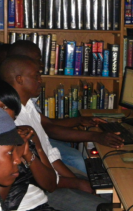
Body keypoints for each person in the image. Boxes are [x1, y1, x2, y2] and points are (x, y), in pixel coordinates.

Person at [0, 55, 110, 211]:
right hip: (40, 193)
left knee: (109, 190)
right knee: (107, 210)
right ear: (20, 79)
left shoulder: (27, 109)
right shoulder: (12, 130)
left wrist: (75, 181)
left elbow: (49, 131)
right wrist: (76, 183)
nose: (41, 80)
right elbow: (46, 184)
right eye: (36, 75)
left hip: (49, 180)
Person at [6, 40, 124, 174]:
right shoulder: (10, 106)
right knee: (78, 159)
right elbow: (50, 129)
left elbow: (46, 123)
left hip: (45, 152)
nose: (42, 64)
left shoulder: (26, 102)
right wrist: (96, 136)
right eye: (38, 60)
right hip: (39, 166)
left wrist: (79, 121)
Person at [0, 80, 78, 211]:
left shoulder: (24, 134)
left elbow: (50, 184)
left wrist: (28, 153)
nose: (7, 115)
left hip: (41, 205)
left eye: (8, 108)